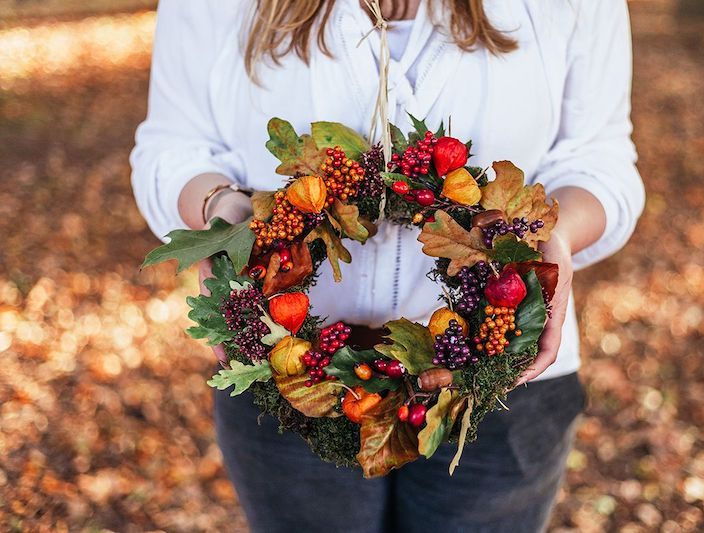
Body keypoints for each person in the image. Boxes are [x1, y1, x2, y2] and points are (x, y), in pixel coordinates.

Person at [131, 0, 645, 531]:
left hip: (504, 382)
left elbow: (599, 160)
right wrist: (223, 213)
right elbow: (174, 145)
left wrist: (552, 234)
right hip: (292, 378)